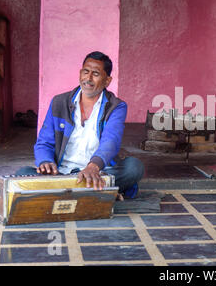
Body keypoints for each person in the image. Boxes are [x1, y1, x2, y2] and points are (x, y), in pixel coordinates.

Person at [16, 51, 144, 200]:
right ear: (80, 73)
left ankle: (67, 193)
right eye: (86, 72)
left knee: (134, 167)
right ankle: (97, 193)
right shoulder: (59, 102)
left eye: (95, 74)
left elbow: (111, 141)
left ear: (107, 81)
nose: (88, 78)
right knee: (22, 173)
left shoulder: (116, 106)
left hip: (99, 171)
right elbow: (44, 142)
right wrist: (46, 162)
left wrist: (93, 166)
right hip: (61, 173)